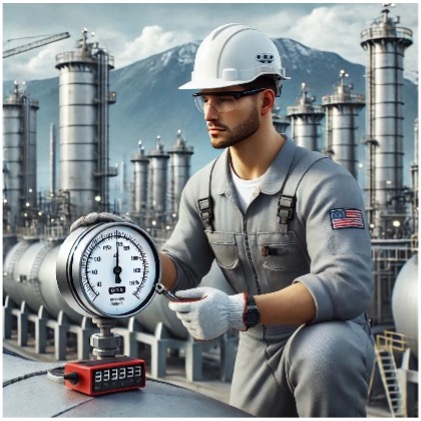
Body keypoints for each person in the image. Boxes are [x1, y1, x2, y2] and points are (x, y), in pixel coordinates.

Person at [72, 23, 375, 417]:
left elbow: (346, 285)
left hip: (327, 336)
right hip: (257, 344)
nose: (210, 113)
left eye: (226, 98)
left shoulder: (324, 182)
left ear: (266, 101)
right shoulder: (203, 188)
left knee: (324, 350)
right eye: (204, 99)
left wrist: (239, 311)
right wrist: (127, 243)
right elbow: (179, 269)